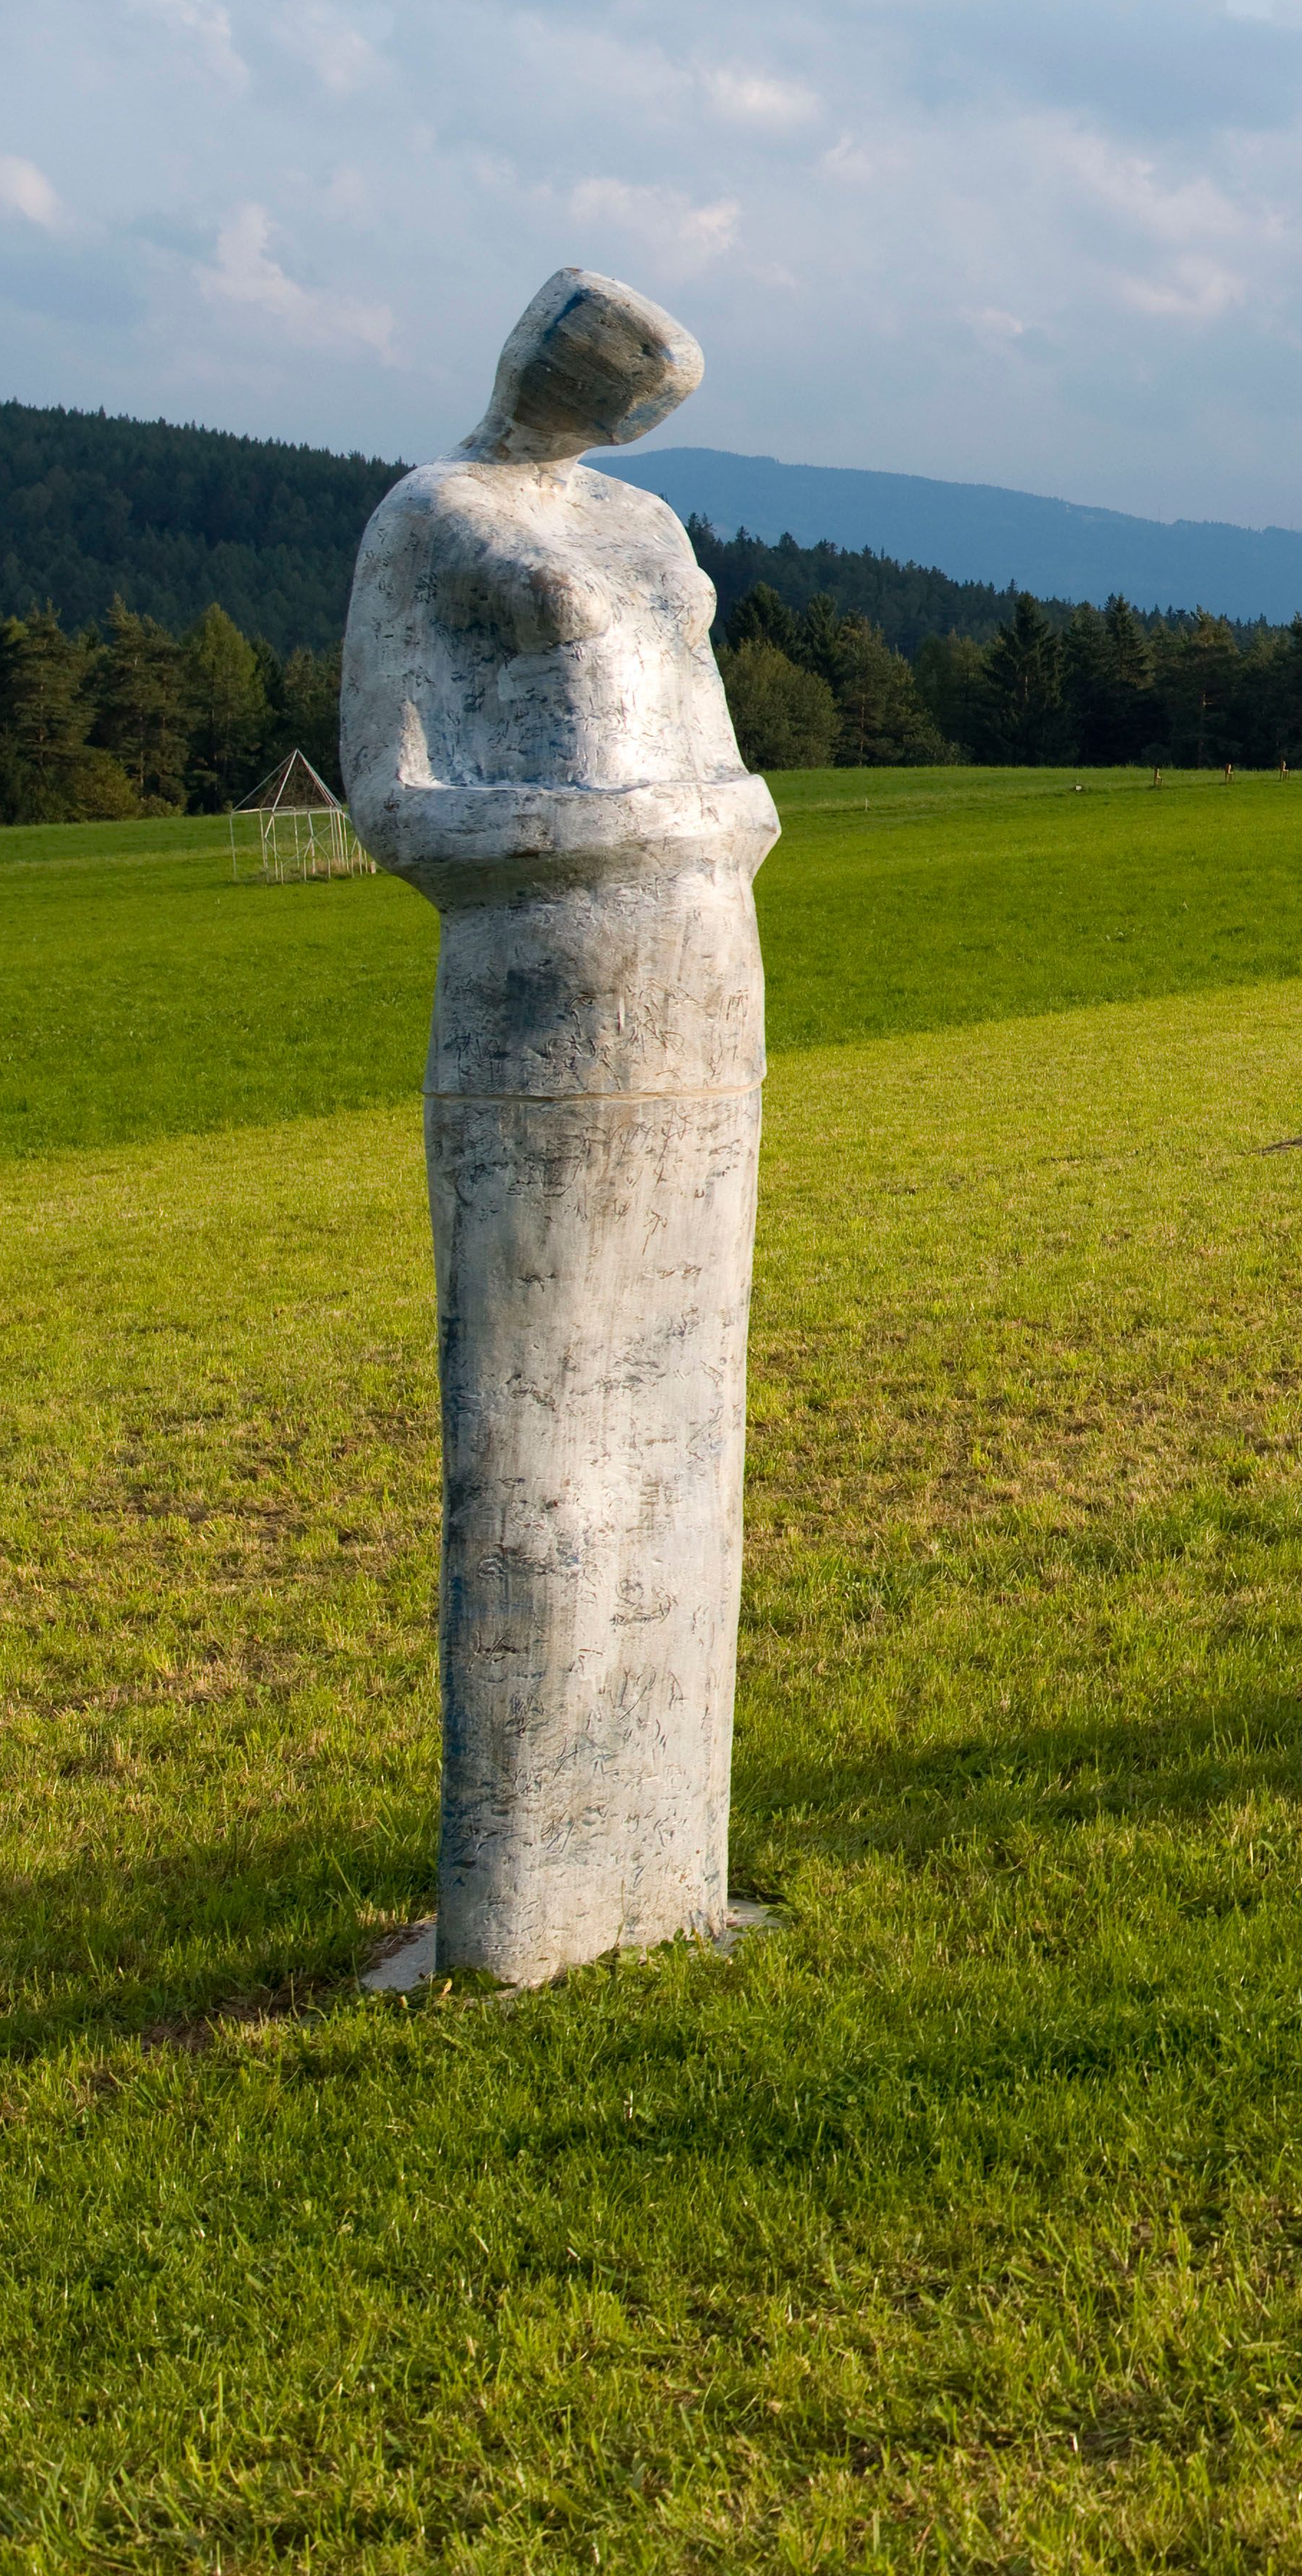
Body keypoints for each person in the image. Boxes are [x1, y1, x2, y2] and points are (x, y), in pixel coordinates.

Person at [344, 267, 780, 1981]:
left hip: (706, 963)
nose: (619, 390)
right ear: (528, 347)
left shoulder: (648, 523)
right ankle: (524, 1908)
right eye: (597, 357)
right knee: (539, 1430)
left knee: (688, 1401)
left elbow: (714, 738)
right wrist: (614, 836)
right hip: (546, 981)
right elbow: (399, 795)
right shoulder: (431, 515)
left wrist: (714, 827)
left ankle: (664, 1864)